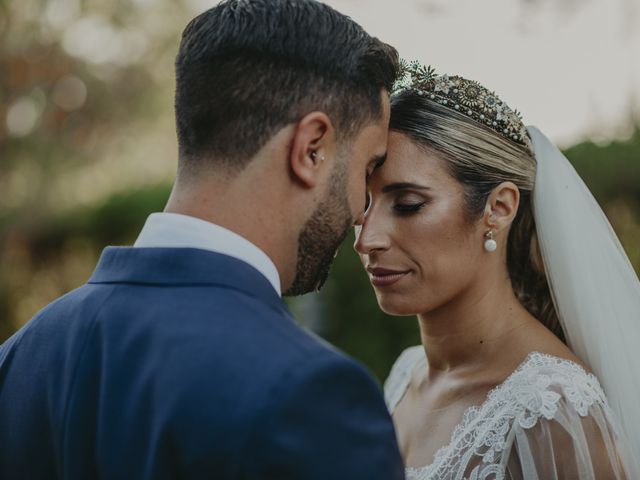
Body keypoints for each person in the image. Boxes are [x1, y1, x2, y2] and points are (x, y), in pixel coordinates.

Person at [0, 1, 405, 478]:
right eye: (368, 168)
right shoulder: (311, 395)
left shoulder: (18, 357)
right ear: (311, 148)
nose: (361, 210)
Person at [355, 62, 640, 479]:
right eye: (363, 203)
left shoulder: (551, 409)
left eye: (408, 205)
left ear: (498, 209)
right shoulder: (406, 374)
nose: (367, 240)